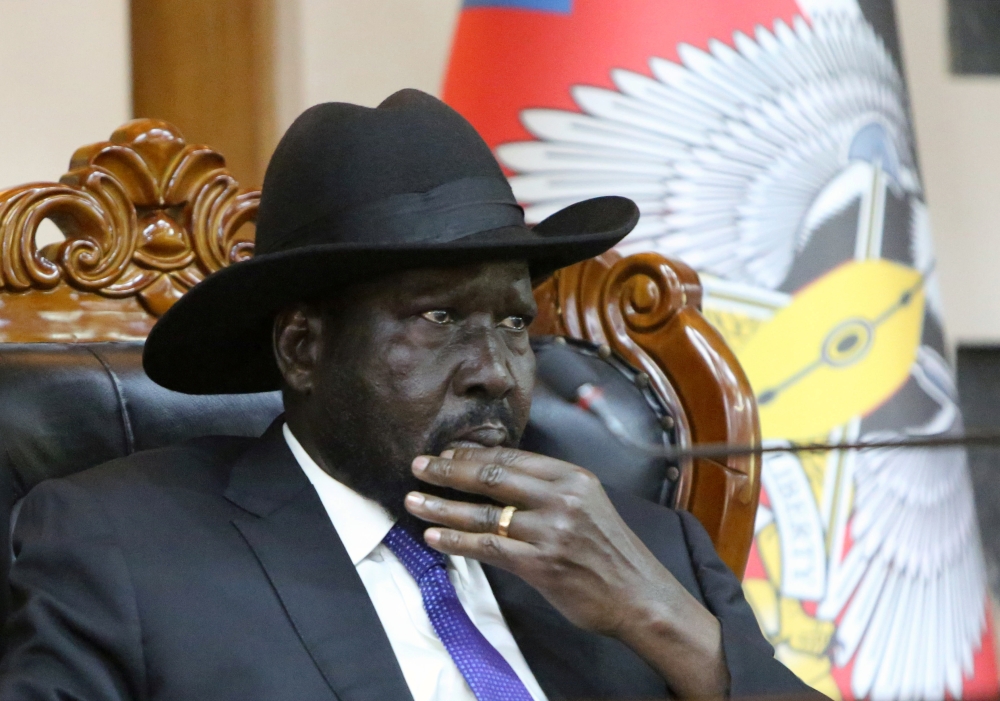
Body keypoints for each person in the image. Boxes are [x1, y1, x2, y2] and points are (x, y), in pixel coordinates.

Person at [0, 90, 821, 701]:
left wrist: (658, 615)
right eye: (439, 316)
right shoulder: (125, 547)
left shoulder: (645, 551)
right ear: (303, 347)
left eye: (511, 320)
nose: (496, 369)